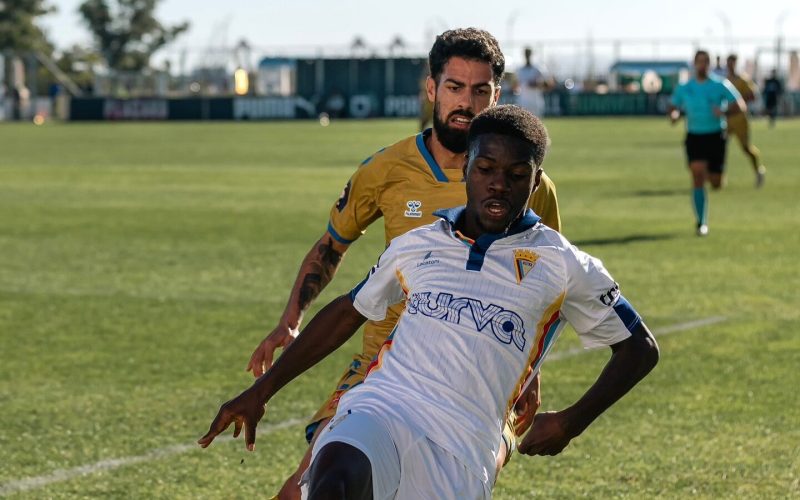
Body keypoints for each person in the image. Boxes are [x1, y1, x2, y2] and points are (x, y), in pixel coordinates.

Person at [199, 105, 660, 499]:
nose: (498, 184)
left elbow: (640, 347)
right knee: (335, 474)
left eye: (517, 175)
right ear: (466, 169)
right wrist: (261, 391)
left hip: (463, 446)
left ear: (536, 180)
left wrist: (571, 422)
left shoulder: (563, 262)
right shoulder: (419, 243)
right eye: (485, 170)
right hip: (385, 407)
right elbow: (348, 312)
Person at [246, 28, 562, 499]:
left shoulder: (529, 184)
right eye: (454, 87)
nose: (466, 103)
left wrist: (531, 375)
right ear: (432, 89)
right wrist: (291, 320)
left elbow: (545, 287)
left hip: (473, 373)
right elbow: (332, 246)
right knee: (303, 489)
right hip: (381, 363)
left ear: (496, 96)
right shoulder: (387, 169)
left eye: (480, 91)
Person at [668, 50, 746, 236]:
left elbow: (740, 105)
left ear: (709, 64)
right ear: (694, 63)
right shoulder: (685, 87)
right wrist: (675, 114)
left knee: (715, 182)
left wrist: (724, 112)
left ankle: (717, 177)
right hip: (694, 136)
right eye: (699, 61)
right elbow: (673, 106)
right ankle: (701, 222)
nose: (702, 65)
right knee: (697, 177)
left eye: (705, 62)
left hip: (716, 136)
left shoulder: (719, 85)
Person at [725, 54, 766, 187]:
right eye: (729, 62)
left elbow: (753, 95)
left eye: (732, 63)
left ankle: (758, 170)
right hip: (726, 118)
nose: (730, 65)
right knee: (720, 146)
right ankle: (719, 175)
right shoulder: (725, 80)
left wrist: (739, 100)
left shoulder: (743, 79)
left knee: (746, 148)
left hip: (740, 119)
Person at [515, 47, 553, 117]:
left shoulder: (538, 68)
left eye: (528, 54)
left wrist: (537, 84)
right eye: (526, 54)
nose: (527, 56)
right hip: (523, 103)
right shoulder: (519, 70)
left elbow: (549, 84)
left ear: (531, 55)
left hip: (536, 103)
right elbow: (515, 86)